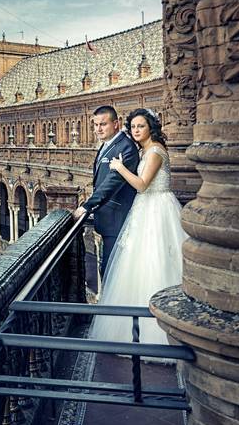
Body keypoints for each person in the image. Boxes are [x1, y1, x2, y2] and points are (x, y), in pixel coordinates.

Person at [89, 108, 189, 345]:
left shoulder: (154, 151)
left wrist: (120, 168)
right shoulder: (143, 151)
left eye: (141, 126)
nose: (136, 131)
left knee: (158, 262)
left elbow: (143, 185)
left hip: (158, 209)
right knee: (137, 266)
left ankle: (159, 335)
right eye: (133, 127)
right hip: (144, 210)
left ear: (151, 127)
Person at [74, 106, 139, 276]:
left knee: (111, 272)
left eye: (103, 124)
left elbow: (112, 181)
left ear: (116, 124)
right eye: (95, 125)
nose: (98, 129)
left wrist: (87, 206)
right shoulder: (108, 145)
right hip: (107, 218)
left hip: (117, 219)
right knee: (108, 268)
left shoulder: (126, 147)